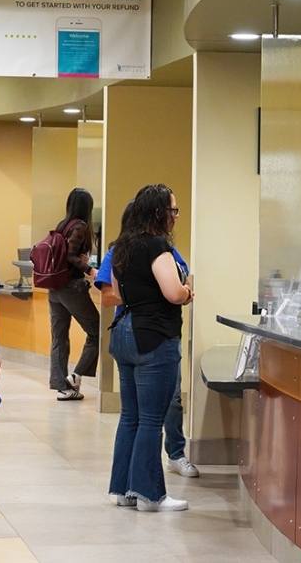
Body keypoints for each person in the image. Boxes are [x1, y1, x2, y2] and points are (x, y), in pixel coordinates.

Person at [95, 201, 199, 478]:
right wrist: (183, 293)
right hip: (150, 336)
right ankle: (148, 492)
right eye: (172, 210)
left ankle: (126, 487)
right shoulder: (153, 249)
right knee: (149, 419)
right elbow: (175, 293)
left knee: (138, 415)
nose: (176, 217)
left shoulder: (133, 250)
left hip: (133, 335)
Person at [48, 187, 101, 400]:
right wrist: (89, 269)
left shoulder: (62, 225)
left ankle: (63, 387)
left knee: (59, 337)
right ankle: (76, 376)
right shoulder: (80, 226)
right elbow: (70, 255)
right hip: (71, 287)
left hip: (54, 288)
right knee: (97, 331)